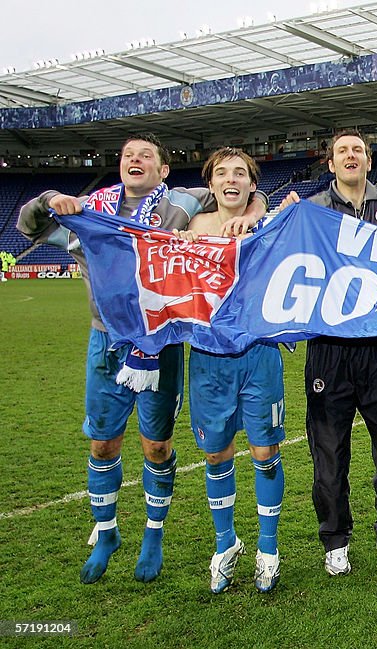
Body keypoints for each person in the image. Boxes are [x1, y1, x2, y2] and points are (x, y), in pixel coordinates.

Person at [17, 133, 267, 585]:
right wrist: (51, 196)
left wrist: (254, 212)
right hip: (106, 342)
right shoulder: (90, 211)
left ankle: (153, 535)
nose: (136, 160)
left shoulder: (180, 206)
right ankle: (108, 532)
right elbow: (30, 226)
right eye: (129, 155)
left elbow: (240, 189)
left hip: (160, 345)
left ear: (163, 170)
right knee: (103, 443)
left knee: (155, 445)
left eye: (146, 156)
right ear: (120, 165)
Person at [280, 129, 377, 574]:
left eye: (358, 150)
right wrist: (274, 215)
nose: (350, 156)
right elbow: (270, 248)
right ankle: (335, 540)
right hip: (327, 349)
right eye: (342, 150)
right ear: (331, 164)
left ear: (368, 161)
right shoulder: (310, 212)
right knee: (328, 452)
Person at [172, 148, 286, 593]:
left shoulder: (269, 222)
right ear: (212, 185)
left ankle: (268, 548)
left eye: (240, 173)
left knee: (264, 452)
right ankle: (225, 544)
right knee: (216, 454)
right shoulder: (188, 228)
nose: (231, 179)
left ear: (252, 185)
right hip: (207, 358)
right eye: (222, 173)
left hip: (258, 353)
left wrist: (263, 214)